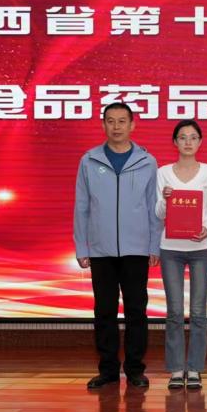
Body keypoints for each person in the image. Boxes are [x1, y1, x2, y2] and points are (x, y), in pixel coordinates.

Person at [73, 100, 160, 393]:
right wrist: (82, 247)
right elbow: (82, 206)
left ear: (133, 125)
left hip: (137, 249)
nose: (116, 127)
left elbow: (153, 207)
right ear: (103, 125)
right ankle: (108, 370)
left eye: (122, 121)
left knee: (137, 310)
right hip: (101, 249)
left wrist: (154, 245)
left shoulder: (147, 161)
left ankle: (135, 369)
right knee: (104, 311)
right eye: (110, 121)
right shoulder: (89, 160)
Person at [156, 119, 207, 391]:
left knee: (198, 310)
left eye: (193, 137)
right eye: (182, 137)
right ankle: (175, 369)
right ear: (175, 142)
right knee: (174, 310)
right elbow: (158, 212)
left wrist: (206, 227)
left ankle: (194, 368)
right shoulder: (163, 172)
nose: (188, 142)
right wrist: (164, 199)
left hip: (201, 248)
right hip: (171, 247)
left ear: (200, 142)